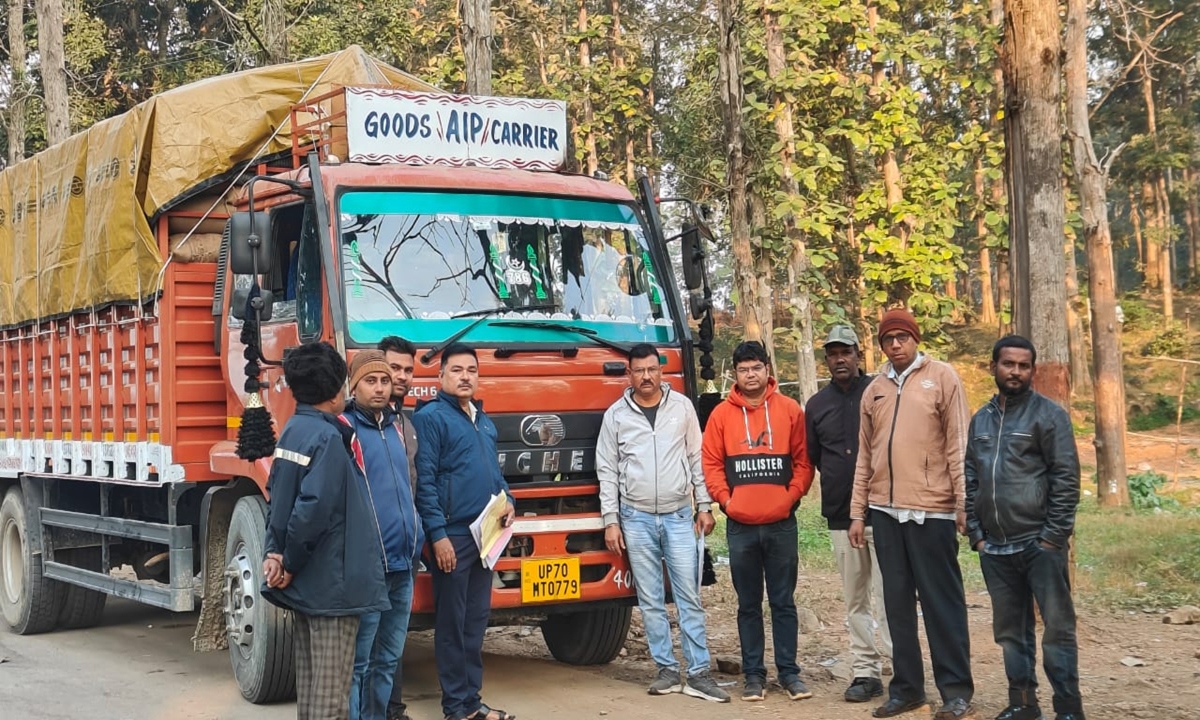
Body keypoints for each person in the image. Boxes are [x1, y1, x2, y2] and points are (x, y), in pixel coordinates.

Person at [849, 308, 975, 719]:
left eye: (903, 337)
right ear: (881, 345)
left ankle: (955, 691)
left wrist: (963, 503)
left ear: (915, 339)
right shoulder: (875, 390)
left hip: (932, 512)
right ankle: (907, 690)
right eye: (889, 339)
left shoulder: (942, 377)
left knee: (942, 604)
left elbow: (958, 442)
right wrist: (857, 512)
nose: (896, 344)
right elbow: (865, 456)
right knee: (896, 605)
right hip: (885, 513)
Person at [261, 342, 388, 720]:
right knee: (332, 702)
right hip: (333, 586)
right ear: (337, 391)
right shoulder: (328, 438)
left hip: (311, 587)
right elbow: (313, 509)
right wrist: (292, 562)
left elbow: (279, 501)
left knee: (314, 694)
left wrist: (277, 554)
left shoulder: (292, 431)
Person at [597, 343, 730, 703]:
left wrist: (704, 505)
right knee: (651, 599)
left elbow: (696, 458)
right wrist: (611, 520)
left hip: (677, 517)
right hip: (635, 519)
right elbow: (607, 470)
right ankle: (667, 671)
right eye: (639, 370)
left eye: (652, 369)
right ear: (630, 374)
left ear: (661, 370)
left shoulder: (682, 408)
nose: (646, 377)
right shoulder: (616, 415)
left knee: (689, 596)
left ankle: (699, 673)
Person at [966, 336, 1085, 720]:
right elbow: (971, 477)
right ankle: (1022, 704)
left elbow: (1066, 478)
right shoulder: (980, 419)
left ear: (1031, 370)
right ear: (993, 367)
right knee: (1010, 633)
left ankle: (1067, 707)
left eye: (1023, 365)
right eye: (1008, 364)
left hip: (1039, 544)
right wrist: (977, 534)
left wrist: (1053, 537)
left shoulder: (1049, 416)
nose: (1015, 371)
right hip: (996, 549)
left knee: (1057, 629)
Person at [702, 340, 814, 703]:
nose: (750, 375)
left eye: (756, 368)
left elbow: (803, 461)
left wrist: (790, 496)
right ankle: (753, 675)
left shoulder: (790, 410)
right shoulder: (721, 414)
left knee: (783, 602)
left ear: (768, 370)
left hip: (781, 523)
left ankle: (790, 674)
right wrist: (726, 501)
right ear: (735, 374)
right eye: (743, 369)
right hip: (741, 526)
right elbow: (711, 464)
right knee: (748, 604)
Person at [413, 343, 517, 720]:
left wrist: (510, 501)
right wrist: (437, 535)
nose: (465, 376)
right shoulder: (431, 419)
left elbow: (496, 475)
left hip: (485, 536)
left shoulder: (482, 420)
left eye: (471, 370)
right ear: (440, 377)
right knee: (452, 624)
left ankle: (473, 702)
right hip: (453, 538)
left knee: (475, 622)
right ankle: (456, 706)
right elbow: (424, 482)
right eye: (456, 370)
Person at [805, 326, 892, 703]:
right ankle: (865, 673)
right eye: (833, 354)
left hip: (885, 511)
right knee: (855, 598)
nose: (840, 359)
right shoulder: (816, 405)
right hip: (841, 514)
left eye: (846, 352)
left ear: (859, 355)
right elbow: (813, 455)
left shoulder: (879, 392)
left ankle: (902, 671)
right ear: (826, 360)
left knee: (891, 596)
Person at [341, 351, 421, 720]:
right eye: (370, 381)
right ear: (353, 385)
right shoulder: (344, 429)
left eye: (384, 381)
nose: (379, 388)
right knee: (360, 663)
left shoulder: (398, 427)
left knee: (388, 659)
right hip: (370, 566)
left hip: (404, 563)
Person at [379, 336, 420, 720]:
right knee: (368, 646)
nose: (402, 377)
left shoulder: (406, 425)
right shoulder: (354, 425)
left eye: (408, 370)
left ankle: (395, 710)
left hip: (405, 551)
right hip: (372, 552)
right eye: (394, 368)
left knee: (394, 640)